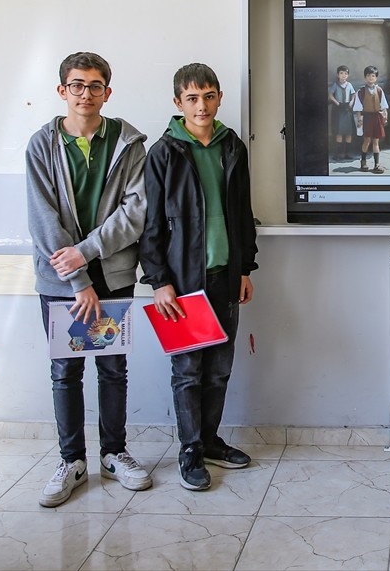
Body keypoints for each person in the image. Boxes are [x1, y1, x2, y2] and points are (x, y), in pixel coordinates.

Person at [26, 51, 153, 507]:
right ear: (63, 91)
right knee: (65, 371)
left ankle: (114, 454)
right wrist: (78, 277)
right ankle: (72, 461)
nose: (86, 94)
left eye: (95, 85)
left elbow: (135, 212)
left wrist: (86, 251)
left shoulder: (128, 142)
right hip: (62, 284)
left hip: (114, 274)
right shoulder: (41, 145)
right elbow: (43, 219)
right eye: (77, 85)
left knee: (112, 368)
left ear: (107, 92)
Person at [139, 63, 259, 491]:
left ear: (219, 97)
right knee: (188, 370)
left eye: (208, 96)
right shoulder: (164, 152)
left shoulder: (233, 148)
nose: (201, 105)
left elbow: (243, 215)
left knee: (219, 370)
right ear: (178, 104)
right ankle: (189, 449)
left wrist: (245, 267)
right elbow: (151, 223)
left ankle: (209, 441)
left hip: (226, 276)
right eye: (192, 98)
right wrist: (159, 281)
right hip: (183, 283)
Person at [352, 65, 389, 173]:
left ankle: (377, 164)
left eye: (373, 76)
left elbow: (384, 105)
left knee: (376, 141)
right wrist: (359, 120)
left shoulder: (379, 90)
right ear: (365, 77)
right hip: (367, 117)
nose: (370, 78)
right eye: (368, 76)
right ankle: (363, 162)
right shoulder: (361, 92)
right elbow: (358, 108)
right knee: (367, 140)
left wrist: (385, 115)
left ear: (376, 78)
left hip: (377, 117)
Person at [327, 65, 356, 162]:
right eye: (341, 73)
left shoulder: (349, 85)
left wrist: (351, 102)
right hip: (339, 108)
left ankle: (347, 153)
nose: (343, 75)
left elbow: (353, 94)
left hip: (347, 109)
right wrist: (336, 102)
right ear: (338, 74)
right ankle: (338, 153)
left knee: (348, 132)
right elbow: (330, 95)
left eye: (345, 74)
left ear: (348, 75)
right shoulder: (335, 85)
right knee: (339, 132)